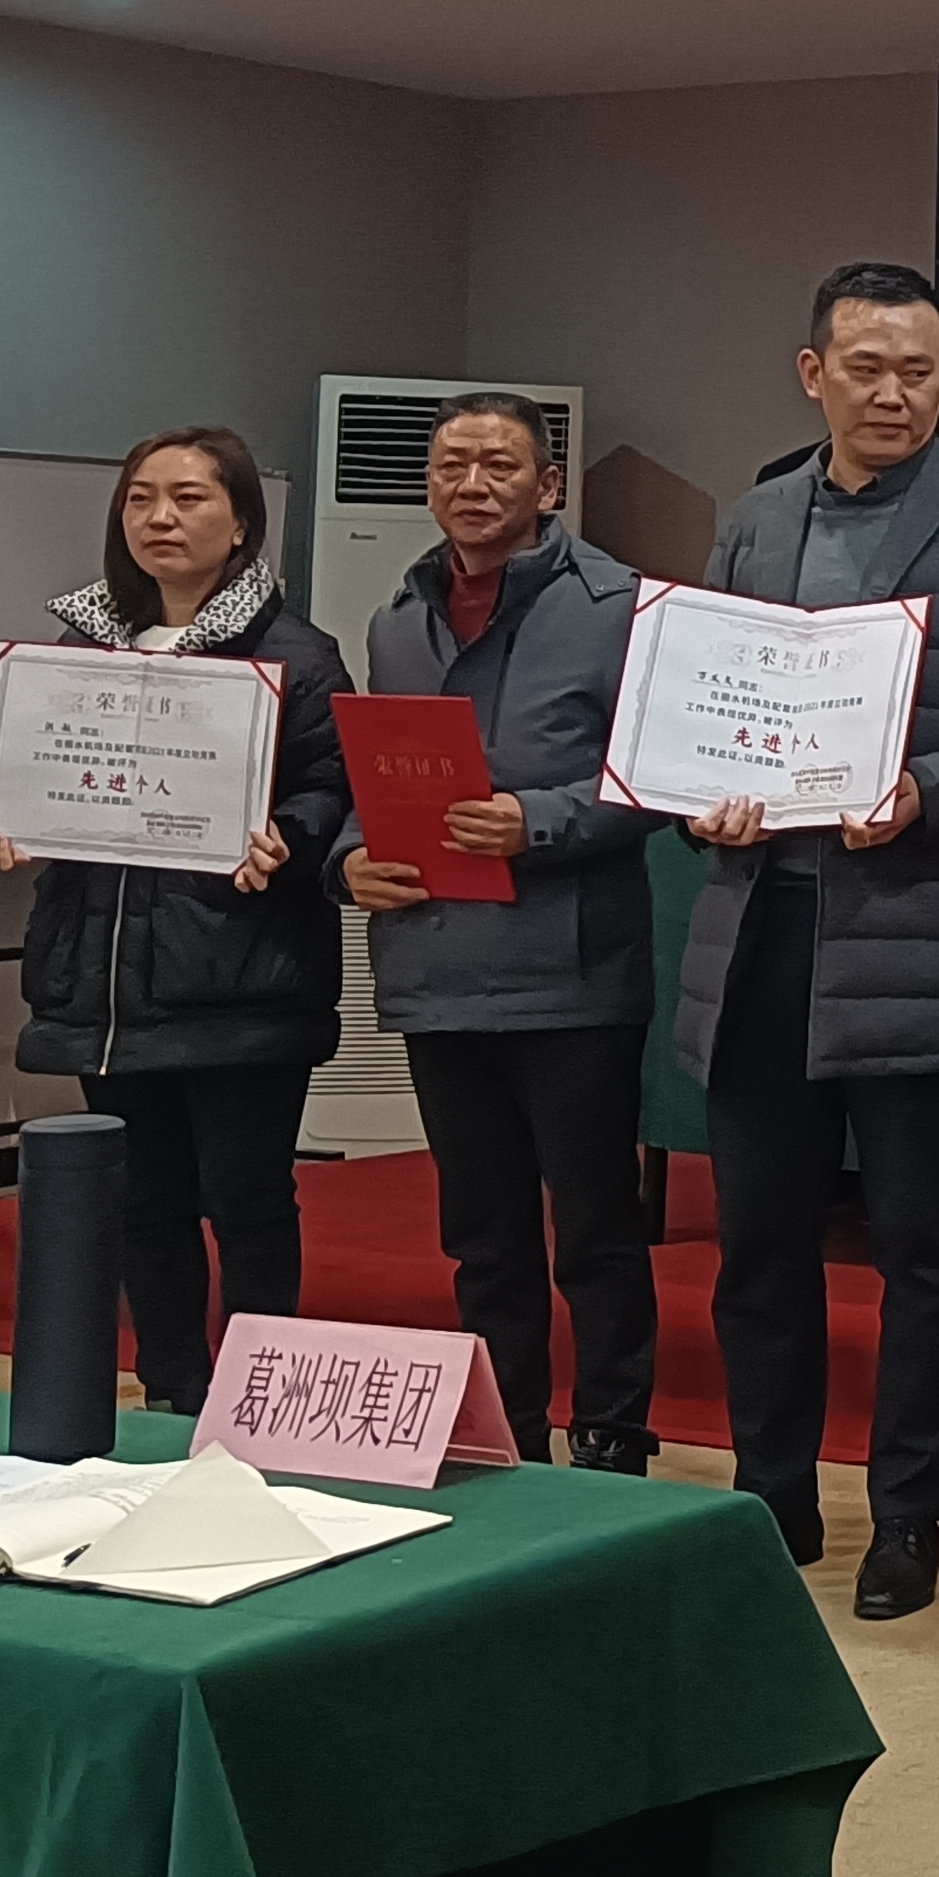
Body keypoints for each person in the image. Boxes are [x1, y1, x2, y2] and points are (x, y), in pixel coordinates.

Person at [670, 260, 939, 1621]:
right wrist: (702, 791)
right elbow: (704, 701)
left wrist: (926, 788)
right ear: (814, 375)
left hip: (919, 932)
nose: (892, 393)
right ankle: (771, 1491)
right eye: (866, 368)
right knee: (760, 1246)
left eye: (918, 371)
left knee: (924, 1251)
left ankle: (909, 1513)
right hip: (762, 931)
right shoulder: (752, 523)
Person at [0, 426, 349, 1416]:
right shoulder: (75, 654)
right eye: (141, 499)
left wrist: (289, 836)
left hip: (241, 973)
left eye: (188, 498)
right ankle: (173, 1390)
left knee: (249, 1201)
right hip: (104, 980)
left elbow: (331, 786)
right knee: (142, 1202)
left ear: (241, 523)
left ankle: (259, 1400)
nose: (160, 518)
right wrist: (7, 822)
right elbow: (37, 779)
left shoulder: (297, 656)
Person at [336, 392, 662, 1472]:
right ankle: (506, 1438)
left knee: (596, 1229)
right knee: (481, 1236)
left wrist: (541, 820)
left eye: (499, 466)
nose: (472, 486)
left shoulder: (619, 607)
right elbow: (375, 778)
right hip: (437, 966)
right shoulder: (398, 617)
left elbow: (660, 780)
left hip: (573, 972)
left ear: (548, 485)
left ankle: (613, 1439)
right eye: (452, 467)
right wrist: (351, 861)